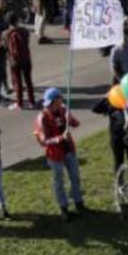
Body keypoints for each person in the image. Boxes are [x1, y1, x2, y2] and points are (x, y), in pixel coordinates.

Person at [34, 88, 86, 219]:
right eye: (57, 99)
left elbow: (76, 124)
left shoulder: (63, 110)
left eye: (60, 99)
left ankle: (78, 202)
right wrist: (60, 138)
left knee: (75, 177)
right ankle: (64, 208)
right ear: (52, 101)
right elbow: (44, 141)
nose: (60, 101)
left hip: (69, 150)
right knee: (59, 182)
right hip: (55, 155)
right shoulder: (43, 118)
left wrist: (70, 117)